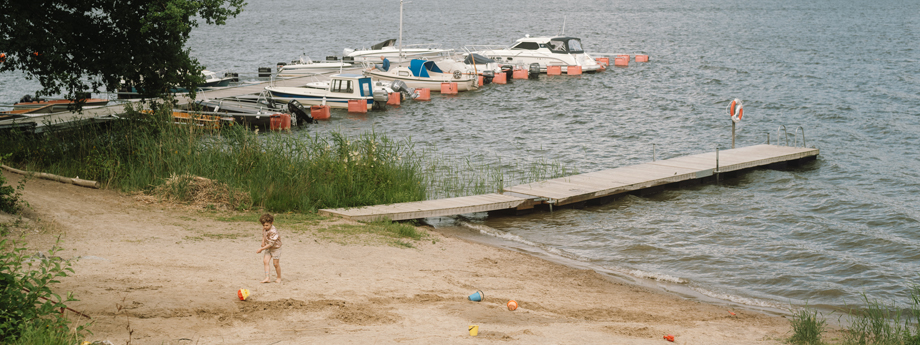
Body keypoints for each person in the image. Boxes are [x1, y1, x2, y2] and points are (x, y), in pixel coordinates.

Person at [256, 213, 282, 283]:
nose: (265, 227)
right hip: (268, 247)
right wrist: (263, 242)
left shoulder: (274, 232)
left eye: (267, 225)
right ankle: (267, 278)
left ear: (271, 223)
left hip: (275, 248)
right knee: (265, 261)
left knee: (275, 264)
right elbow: (263, 235)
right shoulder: (265, 228)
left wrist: (261, 249)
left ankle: (279, 277)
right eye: (263, 225)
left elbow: (271, 244)